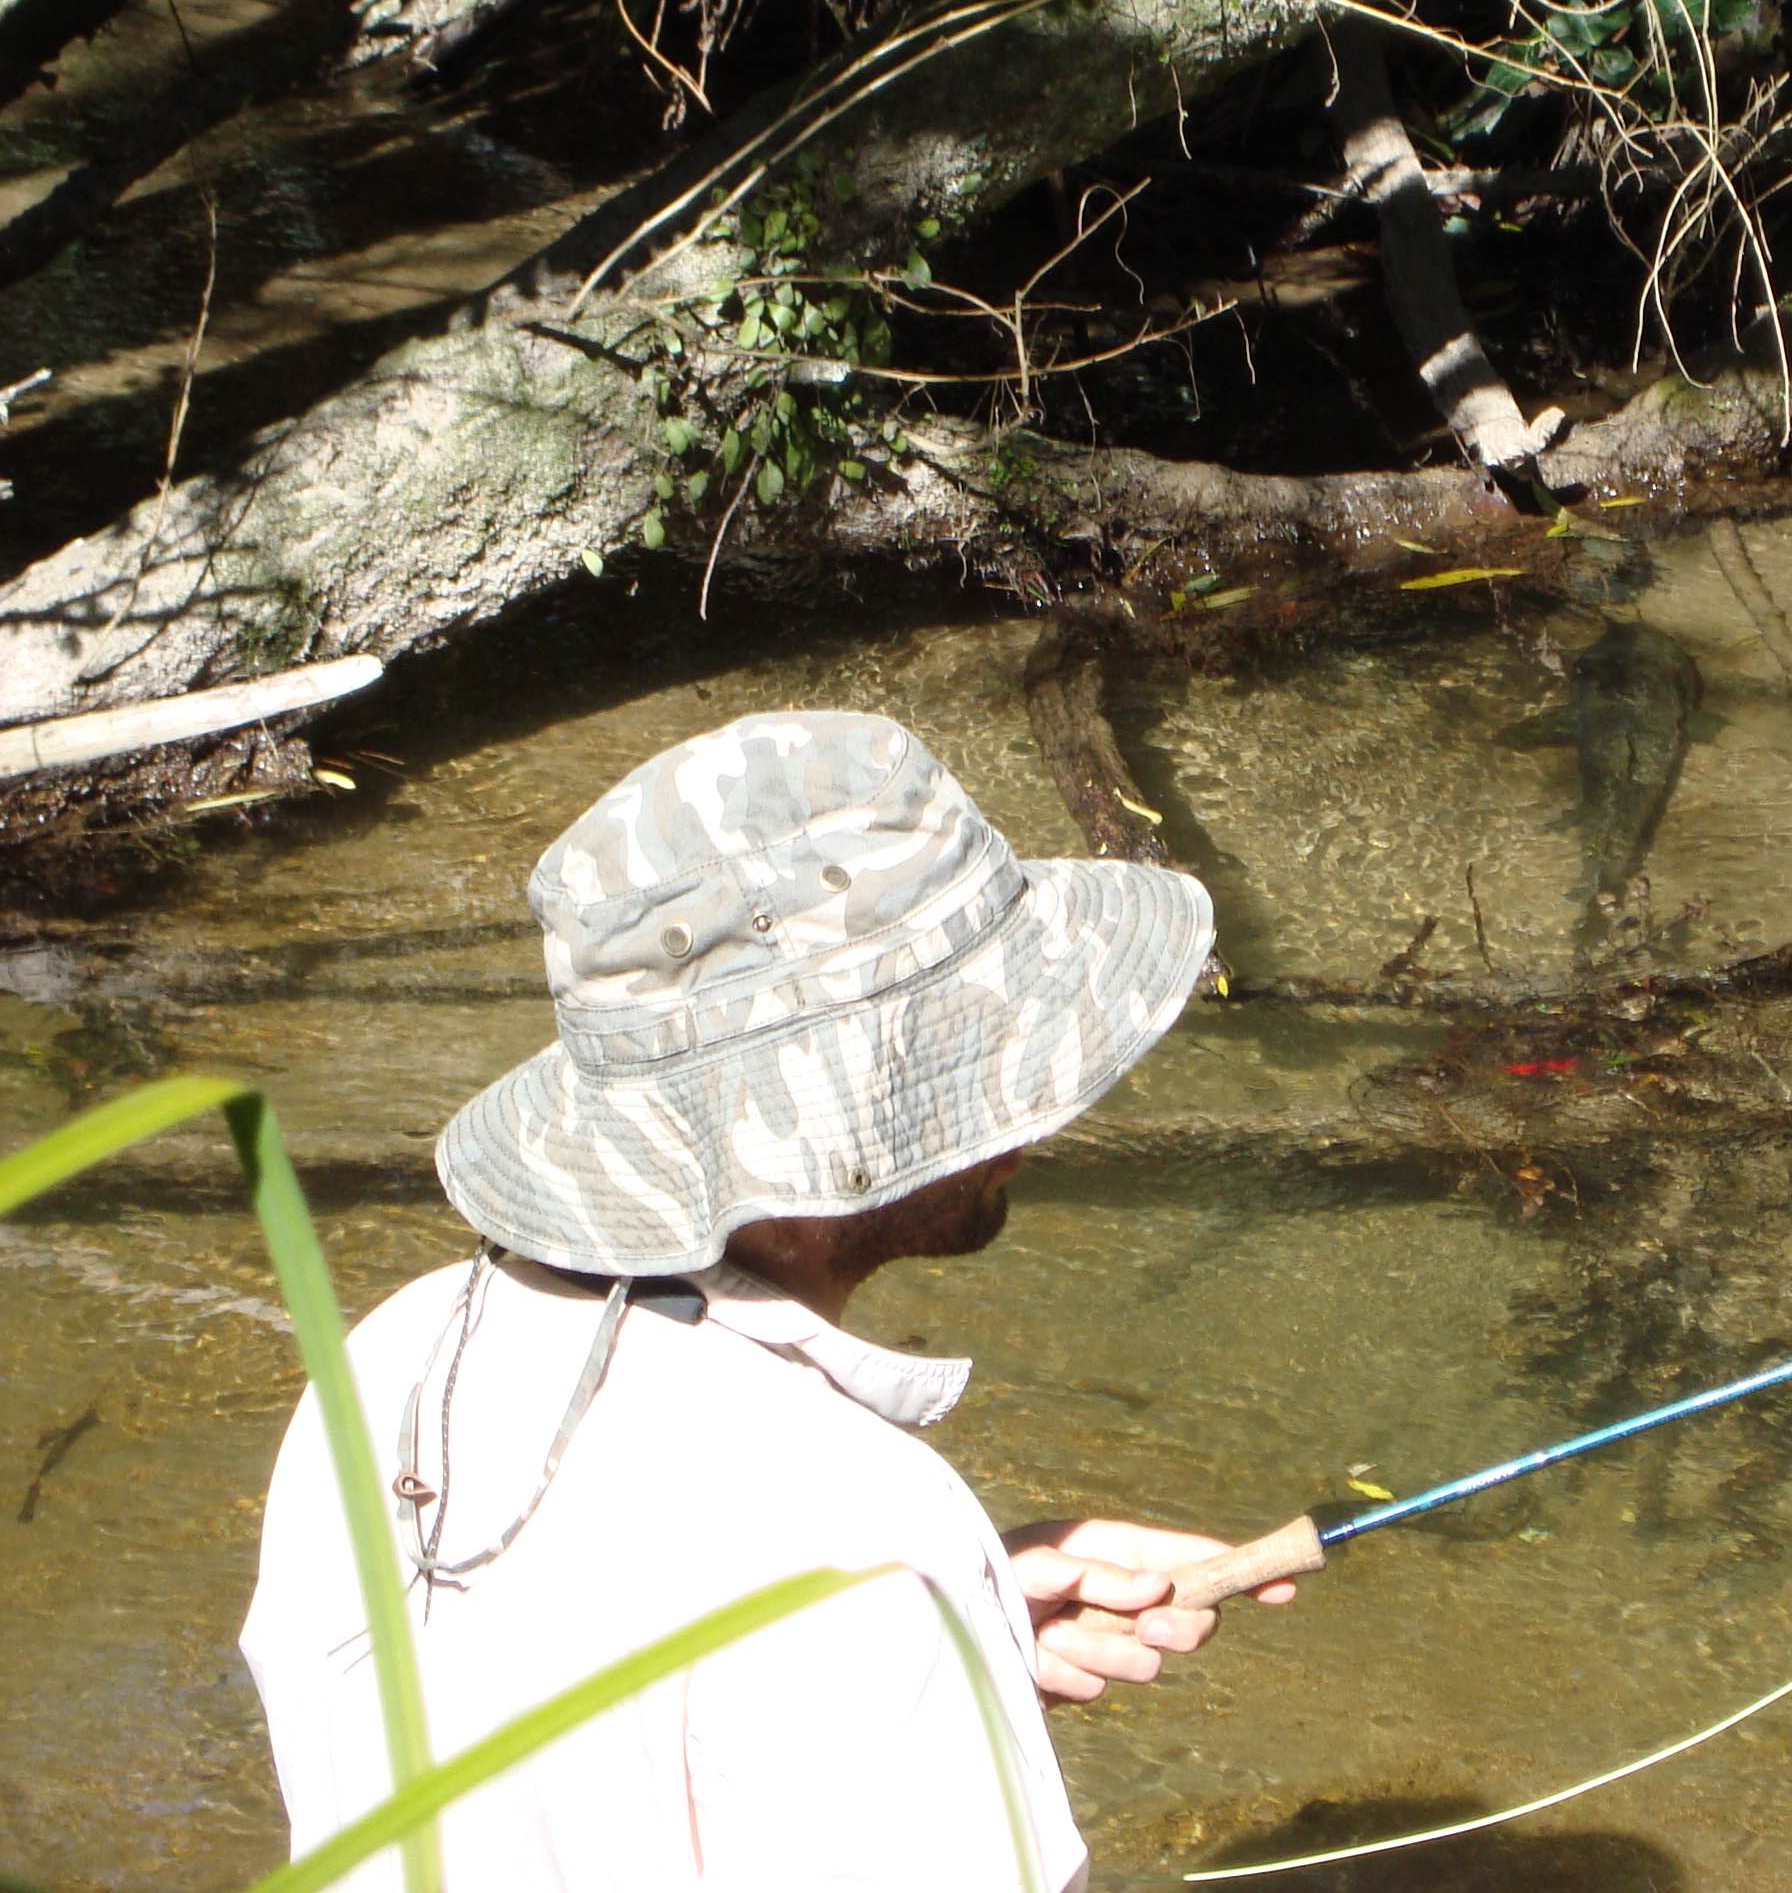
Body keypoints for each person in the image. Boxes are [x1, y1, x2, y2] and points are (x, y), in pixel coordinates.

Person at [239, 711, 1288, 1891]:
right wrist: (906, 1624)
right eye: (984, 1063)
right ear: (835, 1134)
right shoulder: (856, 1539)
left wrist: (970, 1622)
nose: (1036, 1122)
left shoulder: (398, 1354)